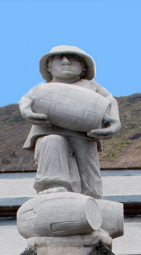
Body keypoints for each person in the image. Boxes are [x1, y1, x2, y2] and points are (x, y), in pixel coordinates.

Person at [19, 45, 120, 199]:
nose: (66, 61)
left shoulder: (91, 86)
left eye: (73, 58)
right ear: (49, 67)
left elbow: (110, 101)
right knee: (52, 142)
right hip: (49, 130)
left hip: (84, 134)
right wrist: (27, 111)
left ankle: (93, 199)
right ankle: (52, 186)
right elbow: (26, 100)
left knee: (89, 176)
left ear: (83, 66)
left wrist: (114, 123)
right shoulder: (42, 89)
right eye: (59, 58)